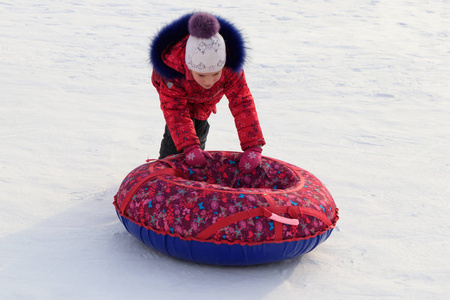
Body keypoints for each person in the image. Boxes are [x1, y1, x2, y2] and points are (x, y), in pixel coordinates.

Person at [150, 12, 265, 174]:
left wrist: (253, 145)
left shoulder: (230, 70)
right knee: (177, 139)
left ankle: (195, 162)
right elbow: (175, 110)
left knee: (199, 124)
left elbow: (242, 103)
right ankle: (166, 171)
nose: (208, 81)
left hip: (206, 99)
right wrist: (188, 147)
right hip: (177, 93)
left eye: (215, 74)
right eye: (202, 75)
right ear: (190, 67)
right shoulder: (172, 73)